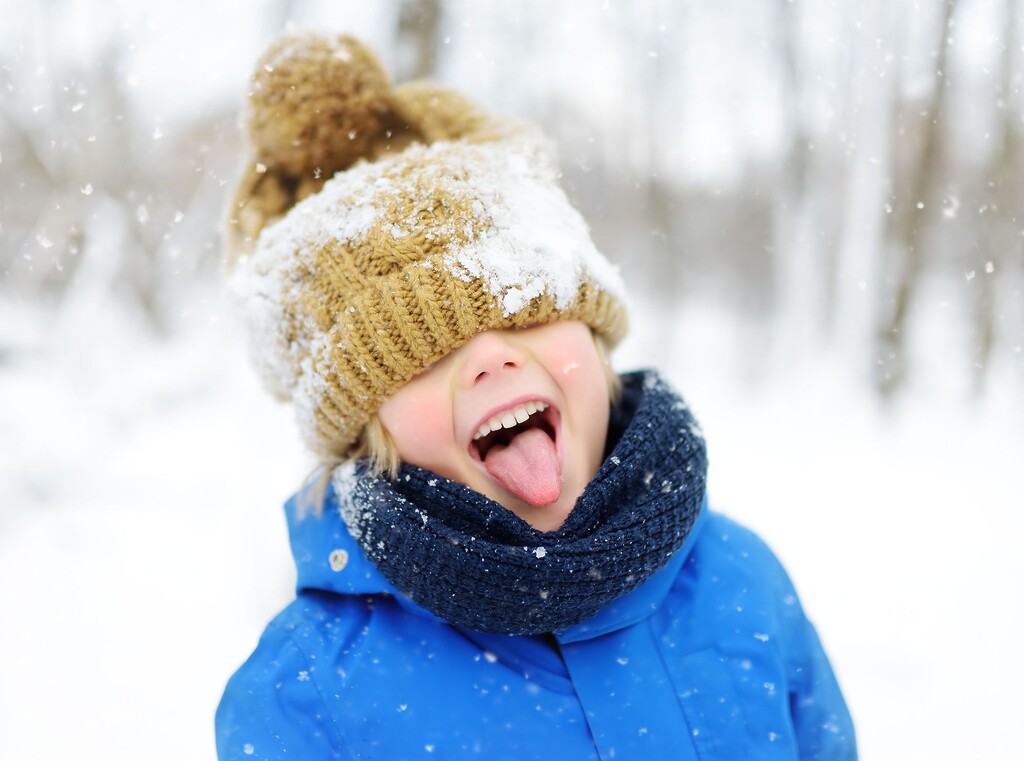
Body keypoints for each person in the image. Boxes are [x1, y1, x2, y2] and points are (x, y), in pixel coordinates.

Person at [216, 31, 857, 761]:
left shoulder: (740, 580)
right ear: (364, 431)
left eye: (522, 308)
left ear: (595, 335)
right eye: (423, 353)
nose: (490, 356)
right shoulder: (309, 691)